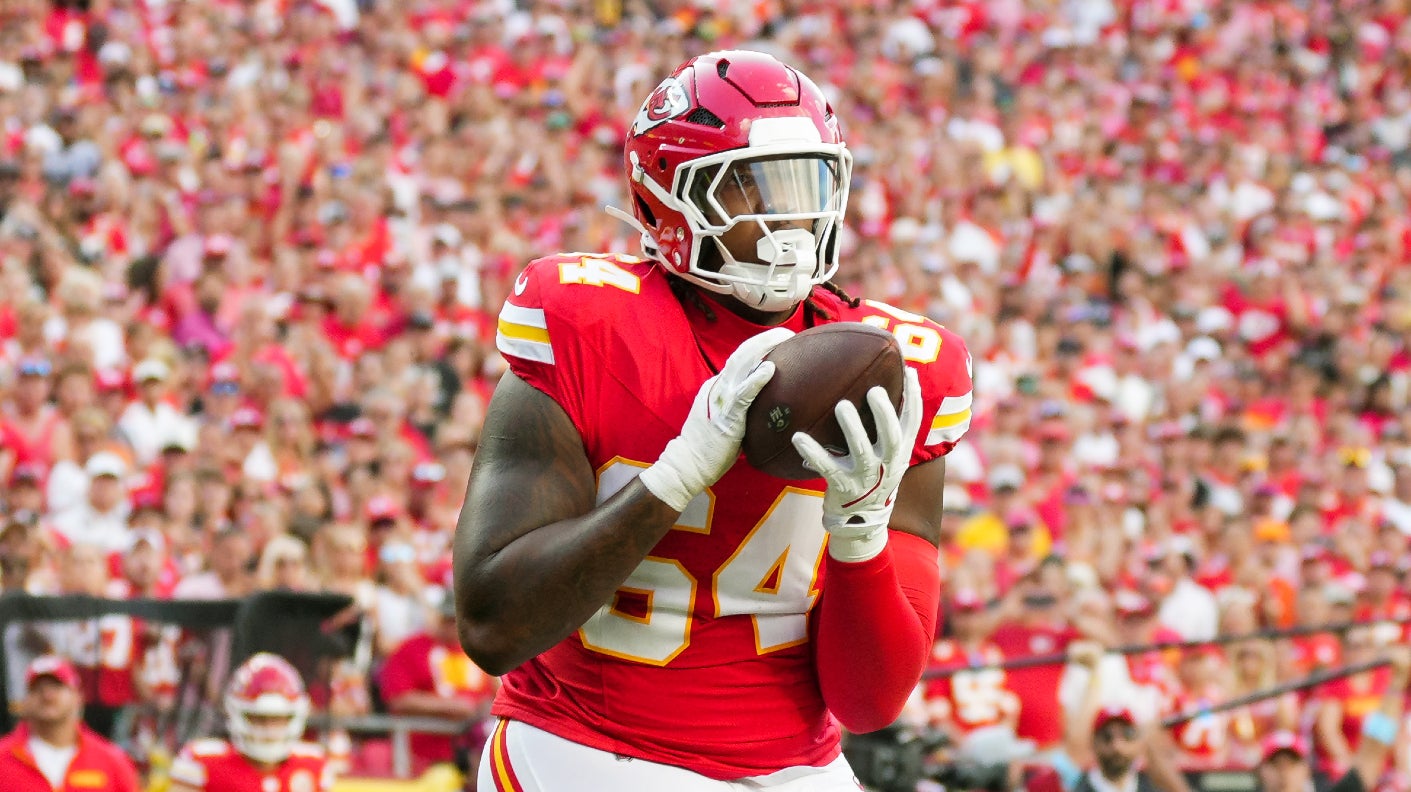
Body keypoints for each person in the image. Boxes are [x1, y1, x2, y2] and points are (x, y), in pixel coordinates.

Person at [453, 49, 973, 790]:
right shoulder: (584, 322)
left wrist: (861, 537)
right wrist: (676, 476)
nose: (786, 220)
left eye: (804, 185)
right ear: (665, 196)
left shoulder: (900, 368)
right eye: (749, 188)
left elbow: (869, 704)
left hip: (797, 767)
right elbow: (493, 627)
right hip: (593, 745)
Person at [168, 652, 334, 792]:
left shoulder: (313, 765)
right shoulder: (201, 764)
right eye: (259, 718)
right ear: (237, 714)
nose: (268, 730)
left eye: (277, 719)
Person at [0, 654, 141, 792]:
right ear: (25, 700)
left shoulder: (111, 761)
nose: (47, 695)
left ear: (78, 696)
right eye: (38, 688)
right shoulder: (3, 758)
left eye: (57, 686)